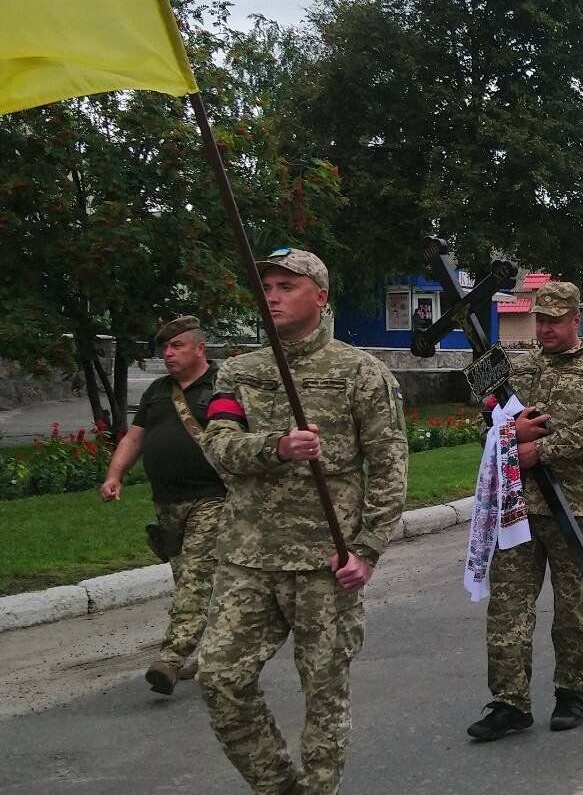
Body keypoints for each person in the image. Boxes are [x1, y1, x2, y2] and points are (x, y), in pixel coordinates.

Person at [197, 248, 408, 794]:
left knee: (323, 689)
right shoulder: (239, 371)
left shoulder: (360, 373)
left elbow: (388, 465)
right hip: (249, 554)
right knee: (220, 677)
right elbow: (216, 445)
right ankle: (276, 785)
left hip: (325, 560)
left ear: (320, 296)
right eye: (267, 285)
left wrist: (368, 550)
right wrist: (276, 447)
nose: (272, 295)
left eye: (287, 286)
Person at [468, 281, 583, 740]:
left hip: (574, 506)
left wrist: (545, 450)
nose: (546, 329)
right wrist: (509, 434)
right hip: (517, 508)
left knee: (574, 607)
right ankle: (509, 702)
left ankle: (571, 691)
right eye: (540, 319)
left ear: (577, 320)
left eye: (555, 321)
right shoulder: (517, 370)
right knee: (508, 608)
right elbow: (488, 429)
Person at [100, 316, 225, 696]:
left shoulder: (224, 386)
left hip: (213, 497)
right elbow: (134, 438)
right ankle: (216, 653)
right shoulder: (158, 391)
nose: (168, 354)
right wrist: (114, 476)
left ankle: (170, 659)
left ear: (199, 348)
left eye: (177, 347)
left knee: (196, 577)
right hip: (167, 503)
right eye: (165, 348)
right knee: (187, 576)